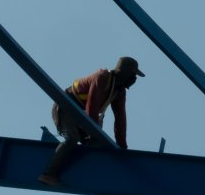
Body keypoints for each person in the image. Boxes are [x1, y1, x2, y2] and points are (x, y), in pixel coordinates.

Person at [38, 56, 145, 186]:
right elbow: (92, 108)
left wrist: (122, 147)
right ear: (126, 73)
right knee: (72, 138)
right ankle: (48, 174)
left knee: (96, 147)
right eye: (133, 75)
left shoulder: (119, 92)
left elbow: (120, 119)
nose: (134, 80)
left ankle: (83, 177)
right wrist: (95, 133)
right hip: (65, 108)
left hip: (82, 115)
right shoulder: (102, 77)